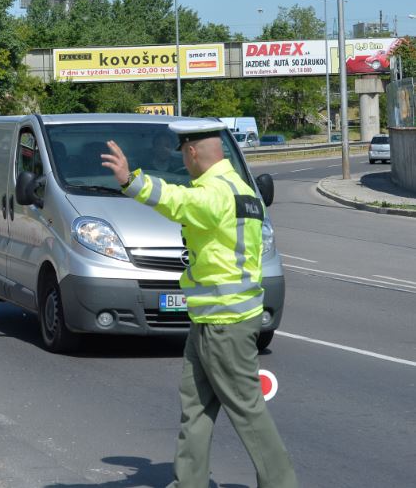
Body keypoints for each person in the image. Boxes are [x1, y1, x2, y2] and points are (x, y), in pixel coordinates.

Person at [101, 120, 297, 488]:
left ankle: (281, 484)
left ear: (192, 152)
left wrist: (132, 181)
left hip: (226, 322)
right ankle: (189, 482)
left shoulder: (215, 193)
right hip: (213, 319)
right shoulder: (241, 189)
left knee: (246, 411)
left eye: (184, 155)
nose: (184, 164)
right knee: (196, 407)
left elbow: (178, 201)